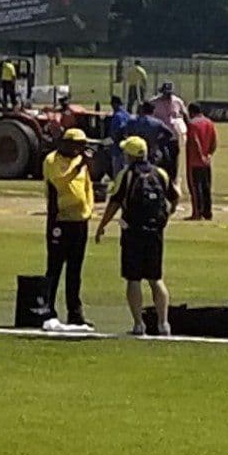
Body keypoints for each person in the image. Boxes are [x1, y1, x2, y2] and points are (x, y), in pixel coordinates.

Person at [95, 135, 176, 336]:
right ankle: (163, 324)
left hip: (133, 232)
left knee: (133, 279)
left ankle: (139, 324)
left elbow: (114, 202)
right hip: (155, 232)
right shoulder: (161, 174)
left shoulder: (126, 174)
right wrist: (166, 215)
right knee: (156, 278)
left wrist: (102, 225)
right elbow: (175, 196)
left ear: (129, 155)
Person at [41, 128, 96, 328]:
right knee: (54, 267)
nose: (81, 149)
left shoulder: (80, 161)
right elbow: (60, 181)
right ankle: (48, 308)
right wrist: (79, 165)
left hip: (79, 221)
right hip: (60, 220)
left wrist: (88, 209)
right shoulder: (52, 160)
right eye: (78, 145)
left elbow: (87, 186)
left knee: (75, 269)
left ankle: (75, 311)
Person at [150, 82, 188, 189]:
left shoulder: (177, 101)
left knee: (173, 160)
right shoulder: (154, 102)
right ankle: (159, 182)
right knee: (160, 160)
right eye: (165, 93)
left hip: (173, 136)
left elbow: (185, 115)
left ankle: (173, 182)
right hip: (160, 137)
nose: (167, 95)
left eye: (169, 93)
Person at [185, 104, 218, 220]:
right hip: (207, 162)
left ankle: (197, 212)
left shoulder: (192, 124)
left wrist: (201, 156)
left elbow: (195, 141)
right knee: (206, 187)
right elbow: (214, 141)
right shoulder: (209, 122)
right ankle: (207, 212)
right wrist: (209, 154)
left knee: (195, 188)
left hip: (195, 162)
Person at [104, 95, 132, 180]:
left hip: (118, 148)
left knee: (118, 173)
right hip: (128, 146)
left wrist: (116, 140)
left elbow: (120, 130)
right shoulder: (127, 114)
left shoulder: (118, 116)